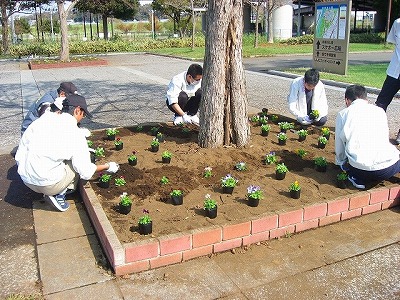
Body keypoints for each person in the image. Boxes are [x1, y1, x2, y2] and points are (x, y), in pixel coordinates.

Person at [15, 94, 119, 212]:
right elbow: (85, 172)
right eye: (83, 114)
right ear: (77, 110)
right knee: (77, 165)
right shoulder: (74, 133)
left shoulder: (42, 120)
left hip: (25, 179)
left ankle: (52, 189)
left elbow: (23, 150)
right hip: (47, 184)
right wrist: (107, 166)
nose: (83, 118)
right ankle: (59, 195)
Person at [335, 85, 400, 189]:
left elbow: (339, 144)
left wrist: (341, 162)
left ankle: (356, 178)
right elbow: (384, 136)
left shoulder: (343, 114)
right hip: (391, 166)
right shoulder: (379, 110)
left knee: (353, 167)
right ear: (366, 99)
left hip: (363, 171)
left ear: (347, 100)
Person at [375, 17, 400, 145]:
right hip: (395, 71)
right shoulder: (397, 23)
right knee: (381, 102)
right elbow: (394, 41)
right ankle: (376, 129)